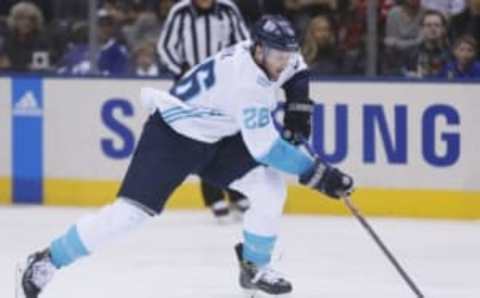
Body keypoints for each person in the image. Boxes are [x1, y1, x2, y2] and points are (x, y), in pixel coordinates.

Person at [16, 15, 354, 298]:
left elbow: (298, 70)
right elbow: (267, 149)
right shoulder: (245, 83)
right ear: (259, 49)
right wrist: (319, 174)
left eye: (286, 55)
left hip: (218, 135)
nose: (282, 64)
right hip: (173, 136)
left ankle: (254, 266)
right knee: (128, 216)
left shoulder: (274, 56)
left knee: (269, 188)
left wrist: (298, 107)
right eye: (277, 56)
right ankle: (48, 259)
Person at [158, 0, 251, 220]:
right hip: (194, 90)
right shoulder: (180, 12)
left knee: (232, 139)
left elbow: (244, 43)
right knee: (203, 140)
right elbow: (165, 47)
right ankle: (214, 196)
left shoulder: (228, 10)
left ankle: (237, 193)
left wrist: (235, 73)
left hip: (226, 86)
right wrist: (183, 74)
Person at [403, 10, 450, 78]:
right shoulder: (410, 54)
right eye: (428, 25)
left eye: (437, 25)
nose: (433, 29)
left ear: (443, 29)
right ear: (421, 28)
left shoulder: (451, 54)